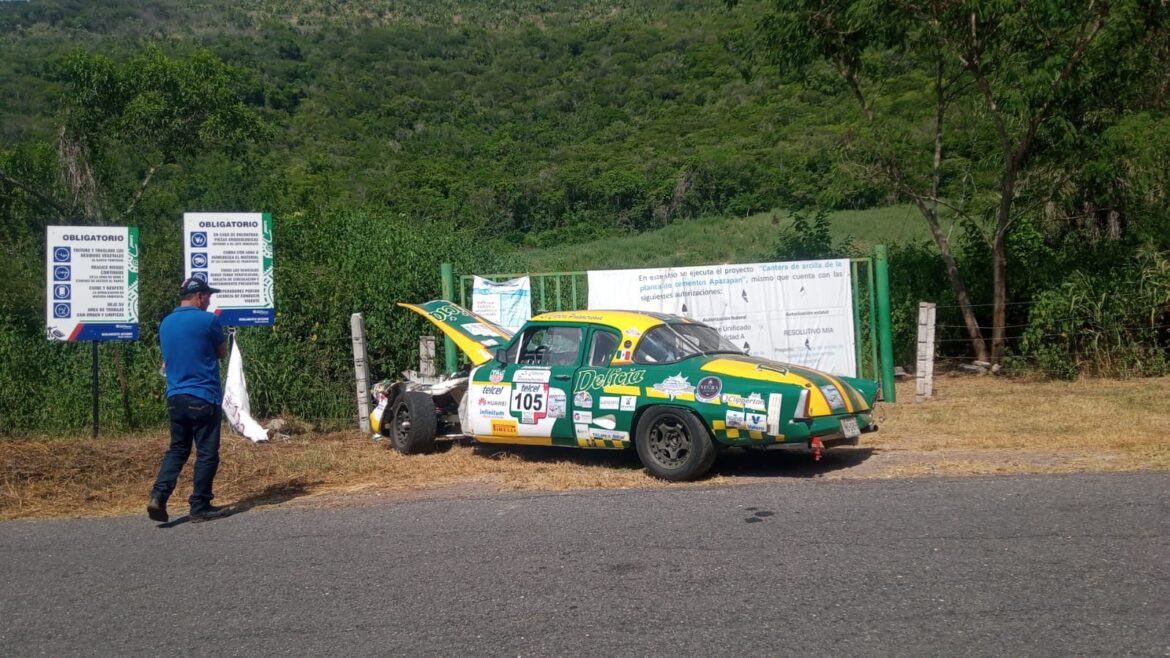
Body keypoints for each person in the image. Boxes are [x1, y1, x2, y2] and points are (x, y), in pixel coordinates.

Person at [147, 277, 231, 523]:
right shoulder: (209, 320)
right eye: (208, 296)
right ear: (199, 296)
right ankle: (200, 504)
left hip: (175, 397)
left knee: (178, 449)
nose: (209, 301)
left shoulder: (166, 323)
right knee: (207, 453)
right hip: (204, 395)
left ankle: (159, 496)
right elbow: (221, 353)